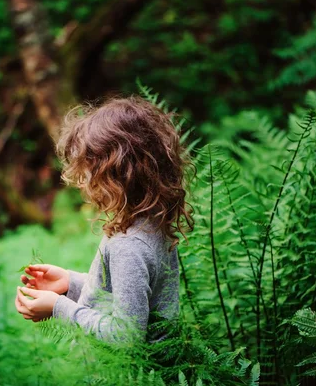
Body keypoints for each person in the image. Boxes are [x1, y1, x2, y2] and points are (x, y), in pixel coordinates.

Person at [14, 96, 194, 343]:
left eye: (87, 169)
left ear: (117, 173)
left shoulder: (129, 245)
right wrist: (70, 283)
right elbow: (134, 296)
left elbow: (125, 337)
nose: (81, 180)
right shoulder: (151, 223)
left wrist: (59, 307)